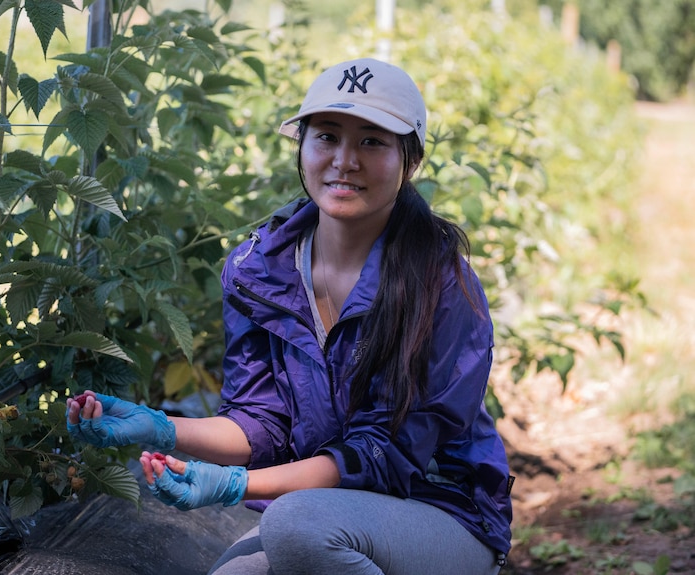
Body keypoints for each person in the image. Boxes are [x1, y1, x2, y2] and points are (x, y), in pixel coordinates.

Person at [66, 57, 513, 575]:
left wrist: (238, 485)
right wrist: (162, 428)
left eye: (372, 141)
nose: (344, 161)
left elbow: (384, 457)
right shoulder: (259, 270)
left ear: (409, 161)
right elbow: (261, 422)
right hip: (327, 508)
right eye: (326, 137)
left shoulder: (441, 282)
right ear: (301, 146)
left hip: (441, 513)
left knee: (294, 526)